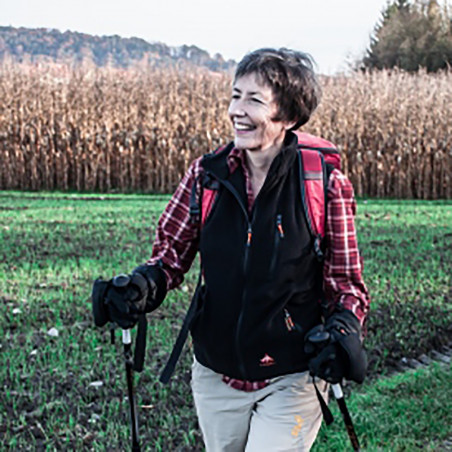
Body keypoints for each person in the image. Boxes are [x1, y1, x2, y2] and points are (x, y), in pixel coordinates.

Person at [92, 48, 370, 451]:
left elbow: (346, 282)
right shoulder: (206, 175)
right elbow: (169, 256)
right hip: (215, 371)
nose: (237, 110)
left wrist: (343, 330)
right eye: (235, 95)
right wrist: (141, 287)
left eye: (254, 100)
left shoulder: (322, 183)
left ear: (288, 116)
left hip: (292, 374)